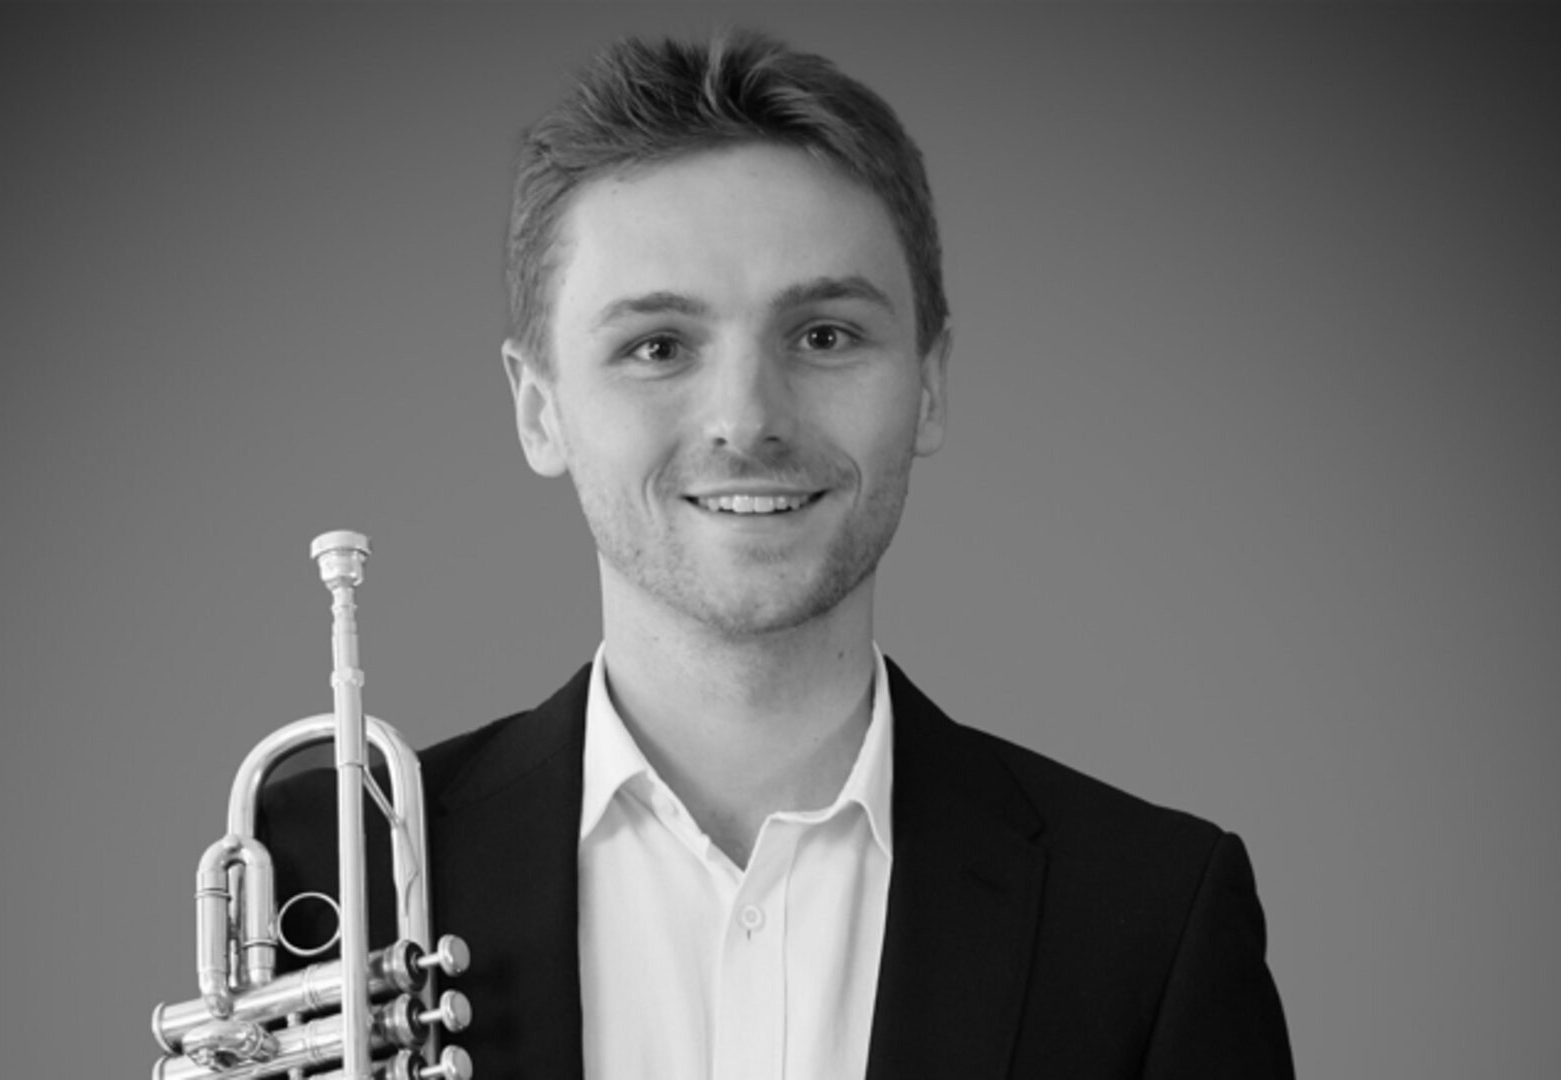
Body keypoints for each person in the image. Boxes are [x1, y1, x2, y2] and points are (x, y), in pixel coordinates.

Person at [265, 27, 1294, 1079]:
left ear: (928, 384)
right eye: (656, 347)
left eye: (823, 336)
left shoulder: (1151, 917)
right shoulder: (331, 876)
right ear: (539, 409)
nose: (747, 420)